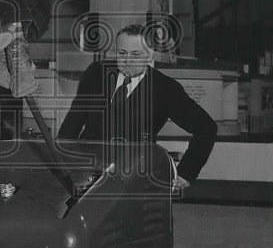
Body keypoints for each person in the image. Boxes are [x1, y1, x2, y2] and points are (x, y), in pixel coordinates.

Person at [57, 23, 218, 194]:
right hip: (88, 172)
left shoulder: (165, 88)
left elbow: (206, 128)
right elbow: (72, 123)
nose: (127, 61)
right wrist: (63, 163)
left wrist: (187, 172)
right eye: (122, 53)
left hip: (133, 178)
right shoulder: (96, 73)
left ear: (149, 56)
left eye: (135, 54)